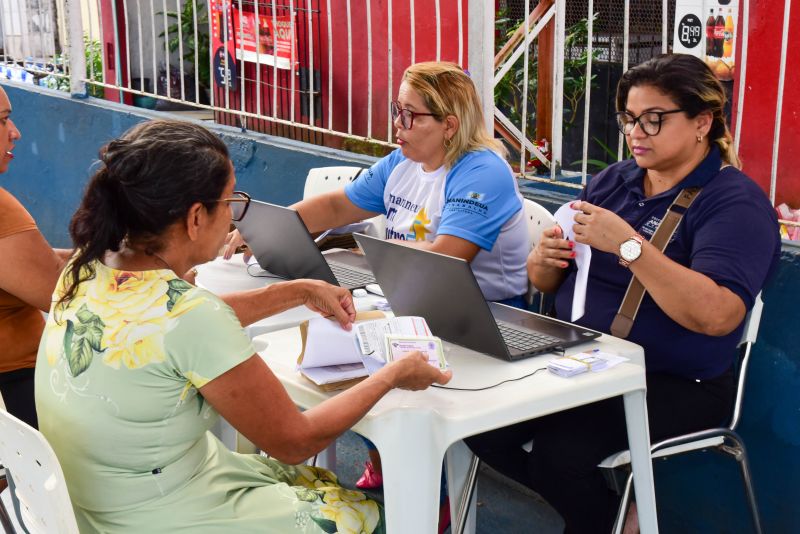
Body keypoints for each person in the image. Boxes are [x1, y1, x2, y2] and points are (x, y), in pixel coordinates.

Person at [35, 120, 452, 533]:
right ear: (195, 217)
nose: (234, 214)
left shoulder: (86, 267)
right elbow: (296, 442)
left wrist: (298, 292)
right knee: (372, 516)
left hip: (88, 506)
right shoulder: (190, 315)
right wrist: (393, 374)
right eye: (229, 201)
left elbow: (171, 325)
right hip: (162, 516)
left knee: (319, 484)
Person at [466, 53, 780, 533]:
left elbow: (717, 315)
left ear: (702, 122)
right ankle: (611, 518)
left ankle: (600, 520)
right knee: (481, 423)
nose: (636, 132)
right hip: (581, 357)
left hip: (672, 379)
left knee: (561, 455)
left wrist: (629, 245)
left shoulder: (733, 202)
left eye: (654, 119)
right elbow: (557, 284)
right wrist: (543, 265)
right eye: (630, 119)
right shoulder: (614, 180)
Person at [223, 61, 531, 494]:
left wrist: (364, 254)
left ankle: (428, 498)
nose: (397, 126)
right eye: (396, 110)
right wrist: (262, 224)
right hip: (414, 301)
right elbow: (335, 207)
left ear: (449, 124)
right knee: (333, 347)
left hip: (486, 315)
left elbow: (446, 259)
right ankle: (385, 462)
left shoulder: (482, 171)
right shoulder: (402, 163)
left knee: (377, 360)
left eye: (410, 115)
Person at [0, 84, 70, 431]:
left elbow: (21, 259)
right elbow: (62, 293)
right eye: (2, 121)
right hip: (17, 390)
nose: (15, 133)